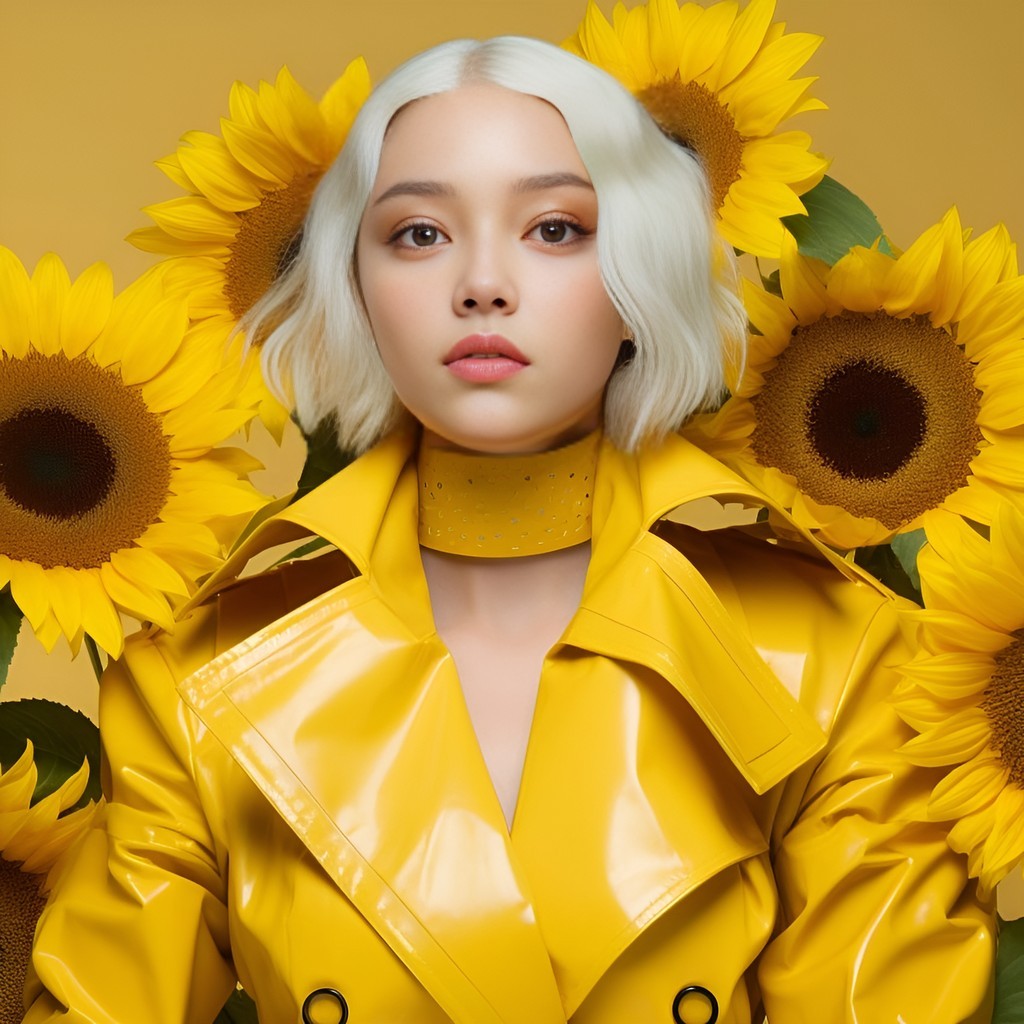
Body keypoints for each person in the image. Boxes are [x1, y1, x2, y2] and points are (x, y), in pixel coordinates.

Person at [25, 35, 994, 1024]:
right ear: (353, 289)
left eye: (555, 228)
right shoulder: (195, 678)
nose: (482, 284)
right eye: (418, 234)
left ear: (638, 276)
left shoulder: (842, 662)